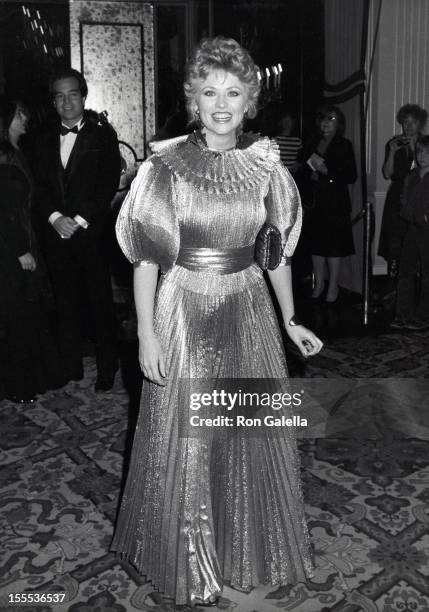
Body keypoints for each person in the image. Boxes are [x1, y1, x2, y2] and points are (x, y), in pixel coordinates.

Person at [111, 37, 323, 608]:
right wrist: (147, 334)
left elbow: (274, 253)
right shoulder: (164, 167)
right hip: (184, 307)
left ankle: (246, 549)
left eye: (233, 91)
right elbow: (148, 259)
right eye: (210, 91)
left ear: (251, 99)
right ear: (194, 99)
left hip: (248, 306)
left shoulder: (267, 166)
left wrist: (292, 318)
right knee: (191, 435)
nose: (221, 103)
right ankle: (186, 558)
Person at [34, 68, 121, 391]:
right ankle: (69, 364)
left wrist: (81, 219)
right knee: (65, 302)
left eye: (72, 94)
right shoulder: (40, 137)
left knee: (100, 302)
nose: (66, 102)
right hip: (54, 233)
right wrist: (55, 218)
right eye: (59, 96)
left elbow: (108, 182)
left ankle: (107, 367)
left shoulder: (103, 135)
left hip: (91, 234)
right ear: (53, 101)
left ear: (83, 96)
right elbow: (37, 186)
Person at [0, 97, 64, 402]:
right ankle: (17, 385)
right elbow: (4, 212)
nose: (25, 118)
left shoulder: (14, 152)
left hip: (23, 242)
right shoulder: (3, 156)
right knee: (17, 316)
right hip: (10, 249)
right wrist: (20, 250)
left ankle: (28, 380)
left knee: (26, 313)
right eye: (19, 114)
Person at [300, 105, 357, 303]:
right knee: (316, 246)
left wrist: (328, 172)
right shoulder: (312, 142)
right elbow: (302, 169)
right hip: (315, 202)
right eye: (324, 119)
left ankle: (333, 285)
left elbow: (351, 176)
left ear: (339, 123)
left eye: (331, 119)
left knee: (334, 247)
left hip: (335, 202)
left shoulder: (344, 144)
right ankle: (319, 283)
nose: (326, 123)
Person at [378, 104, 427, 278]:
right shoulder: (394, 143)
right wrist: (391, 151)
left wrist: (415, 149)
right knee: (394, 241)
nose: (409, 126)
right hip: (397, 197)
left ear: (420, 124)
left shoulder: (425, 144)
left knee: (416, 243)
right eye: (405, 122)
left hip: (419, 196)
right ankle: (394, 284)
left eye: (413, 122)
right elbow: (386, 174)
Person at [391, 136, 429, 330]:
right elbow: (404, 197)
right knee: (406, 271)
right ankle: (403, 314)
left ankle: (423, 316)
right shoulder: (412, 175)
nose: (423, 156)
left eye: (427, 152)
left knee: (427, 275)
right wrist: (407, 211)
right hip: (412, 228)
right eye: (420, 152)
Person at [274, 109, 302, 174]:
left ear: (293, 122)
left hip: (293, 173)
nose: (286, 123)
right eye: (284, 121)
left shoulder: (297, 140)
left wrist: (298, 165)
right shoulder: (276, 139)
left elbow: (301, 157)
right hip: (279, 173)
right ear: (281, 122)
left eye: (288, 121)